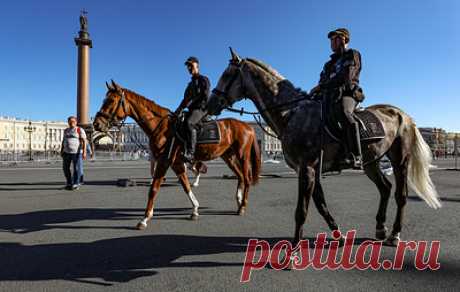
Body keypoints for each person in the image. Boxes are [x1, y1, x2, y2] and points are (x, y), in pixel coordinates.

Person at [310, 28, 365, 169]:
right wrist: (316, 91)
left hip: (348, 93)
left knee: (343, 111)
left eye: (336, 39)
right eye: (331, 40)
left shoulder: (352, 54)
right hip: (329, 95)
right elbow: (322, 80)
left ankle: (356, 155)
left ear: (345, 40)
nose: (332, 42)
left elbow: (346, 77)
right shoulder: (328, 64)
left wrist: (322, 87)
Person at [174, 56, 211, 162]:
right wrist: (177, 111)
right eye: (188, 66)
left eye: (191, 65)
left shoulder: (204, 79)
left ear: (197, 65)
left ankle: (191, 153)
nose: (189, 68)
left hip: (202, 109)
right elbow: (185, 100)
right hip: (193, 110)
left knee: (189, 123)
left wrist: (193, 102)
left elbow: (206, 96)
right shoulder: (190, 85)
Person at [61, 116, 87, 190]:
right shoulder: (66, 130)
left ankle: (75, 183)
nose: (71, 122)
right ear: (68, 122)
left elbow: (84, 141)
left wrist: (84, 152)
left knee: (76, 168)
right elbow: (63, 141)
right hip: (66, 152)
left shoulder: (79, 129)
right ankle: (69, 182)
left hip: (77, 152)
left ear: (76, 122)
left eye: (73, 121)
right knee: (65, 168)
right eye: (70, 121)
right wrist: (61, 150)